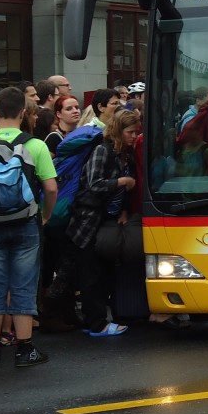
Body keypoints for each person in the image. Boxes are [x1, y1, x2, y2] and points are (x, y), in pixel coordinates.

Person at [0, 86, 57, 368]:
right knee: (23, 285)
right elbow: (51, 188)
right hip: (26, 223)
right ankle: (24, 349)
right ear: (23, 112)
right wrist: (44, 215)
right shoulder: (35, 145)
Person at [64, 108, 141, 337]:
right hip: (87, 221)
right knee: (90, 274)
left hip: (106, 219)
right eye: (130, 132)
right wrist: (122, 181)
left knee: (102, 270)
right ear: (118, 130)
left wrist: (124, 209)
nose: (134, 136)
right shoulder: (102, 150)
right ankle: (95, 323)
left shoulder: (124, 153)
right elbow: (93, 184)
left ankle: (96, 320)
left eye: (136, 132)